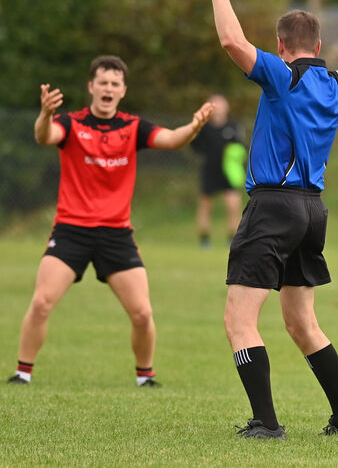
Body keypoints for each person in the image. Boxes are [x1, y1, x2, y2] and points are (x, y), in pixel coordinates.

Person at [200, 0, 338, 439]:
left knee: (239, 319)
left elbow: (231, 40)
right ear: (320, 44)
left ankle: (266, 423)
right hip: (312, 211)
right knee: (302, 325)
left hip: (273, 207)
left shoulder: (281, 76)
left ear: (281, 46)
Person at [7, 55, 213, 387]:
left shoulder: (133, 127)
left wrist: (195, 126)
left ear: (123, 90)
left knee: (143, 314)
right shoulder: (71, 123)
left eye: (115, 83)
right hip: (71, 230)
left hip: (116, 234)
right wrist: (44, 114)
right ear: (91, 87)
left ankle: (145, 377)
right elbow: (44, 136)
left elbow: (173, 139)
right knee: (42, 303)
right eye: (103, 82)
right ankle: (22, 373)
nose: (108, 88)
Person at [190, 93, 246, 248]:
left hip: (228, 172)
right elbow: (195, 146)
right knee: (205, 206)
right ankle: (204, 239)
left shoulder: (233, 126)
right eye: (215, 104)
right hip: (210, 170)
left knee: (233, 205)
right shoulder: (204, 128)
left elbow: (240, 148)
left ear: (226, 107)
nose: (219, 108)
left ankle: (232, 238)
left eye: (221, 104)